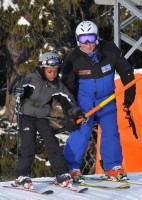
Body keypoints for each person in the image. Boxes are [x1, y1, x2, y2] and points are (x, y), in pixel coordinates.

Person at [61, 21, 136, 180]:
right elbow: (66, 88)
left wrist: (129, 97)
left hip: (107, 98)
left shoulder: (109, 49)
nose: (87, 44)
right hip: (84, 101)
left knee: (110, 131)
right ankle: (70, 167)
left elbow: (126, 72)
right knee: (81, 132)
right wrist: (71, 110)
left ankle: (112, 166)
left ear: (97, 37)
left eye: (91, 38)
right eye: (83, 40)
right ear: (77, 40)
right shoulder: (73, 58)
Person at [12, 52, 86, 189]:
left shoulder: (57, 85)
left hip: (42, 117)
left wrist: (77, 113)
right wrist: (18, 91)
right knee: (28, 145)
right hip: (26, 116)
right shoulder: (31, 79)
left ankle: (61, 174)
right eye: (49, 71)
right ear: (42, 69)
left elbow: (69, 101)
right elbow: (16, 89)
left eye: (55, 71)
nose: (53, 74)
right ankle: (21, 175)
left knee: (52, 144)